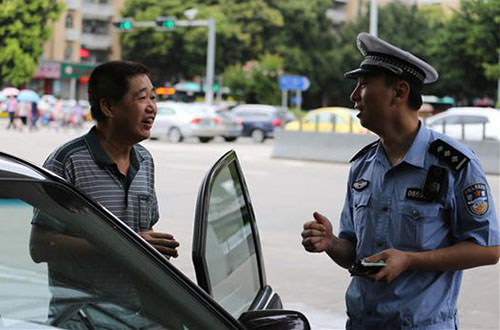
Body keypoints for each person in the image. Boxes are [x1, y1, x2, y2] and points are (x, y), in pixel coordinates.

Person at [301, 33, 500, 329]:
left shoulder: (454, 164)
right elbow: (356, 255)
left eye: (364, 84)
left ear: (399, 92)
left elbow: (489, 250)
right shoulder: (362, 166)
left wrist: (410, 260)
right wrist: (330, 242)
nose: (354, 95)